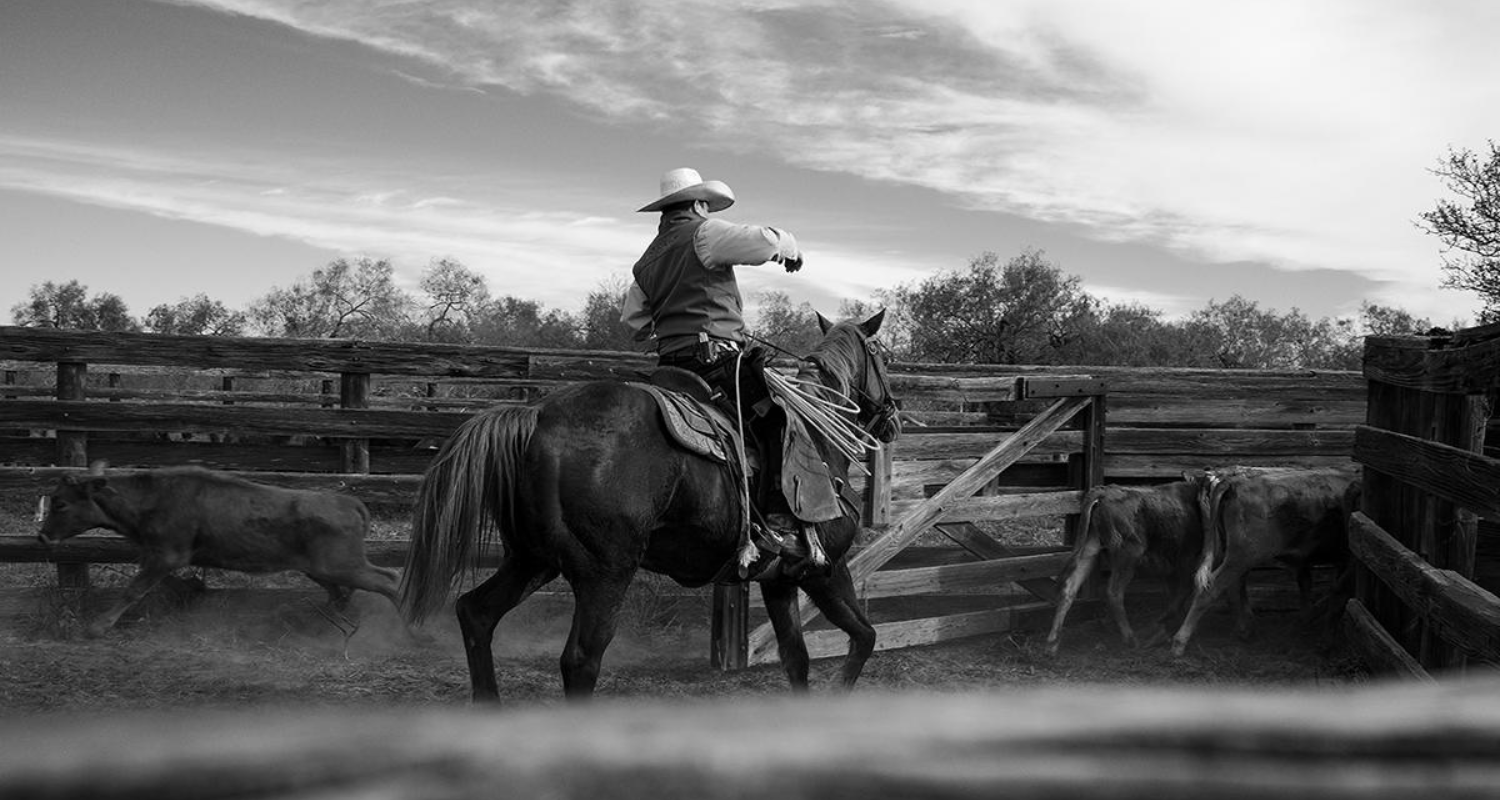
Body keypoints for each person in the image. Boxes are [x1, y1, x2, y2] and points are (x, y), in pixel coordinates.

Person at [620, 167, 820, 575]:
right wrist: (790, 248)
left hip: (670, 367)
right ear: (698, 204)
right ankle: (780, 523)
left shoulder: (646, 261)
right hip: (715, 362)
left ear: (664, 212)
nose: (707, 211)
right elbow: (766, 240)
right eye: (706, 206)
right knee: (782, 419)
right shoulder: (704, 233)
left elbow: (634, 323)